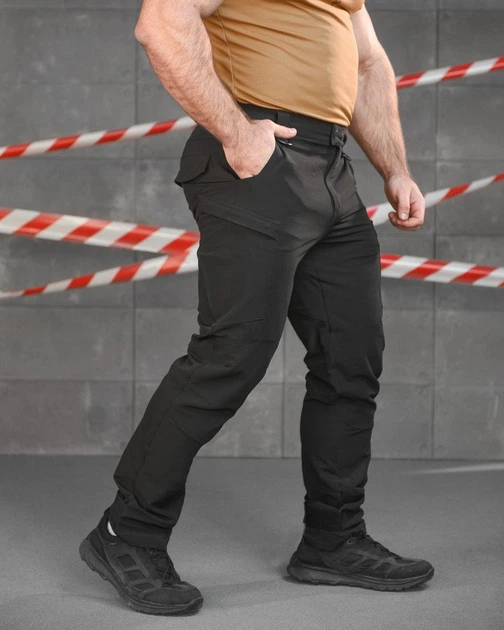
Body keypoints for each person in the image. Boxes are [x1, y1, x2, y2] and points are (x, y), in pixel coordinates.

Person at [79, 0, 433, 616]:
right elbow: (161, 21)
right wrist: (238, 134)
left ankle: (333, 540)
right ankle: (126, 532)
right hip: (262, 158)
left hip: (333, 171)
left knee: (351, 361)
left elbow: (368, 63)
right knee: (230, 356)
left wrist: (395, 170)